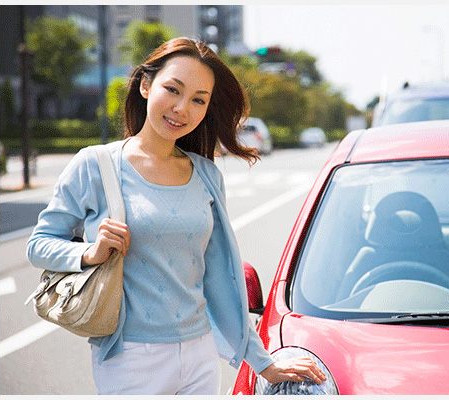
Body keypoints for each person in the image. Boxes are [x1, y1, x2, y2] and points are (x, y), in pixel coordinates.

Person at [25, 37, 326, 395]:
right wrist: (88, 253)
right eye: (173, 89)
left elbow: (218, 277)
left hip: (200, 354)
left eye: (198, 100)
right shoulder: (96, 165)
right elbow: (39, 244)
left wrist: (264, 362)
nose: (182, 108)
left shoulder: (206, 175)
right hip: (130, 358)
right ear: (146, 85)